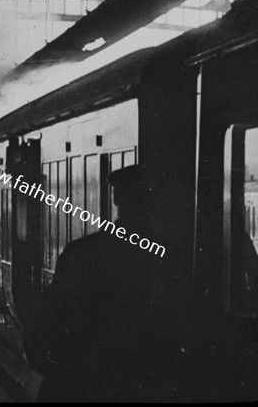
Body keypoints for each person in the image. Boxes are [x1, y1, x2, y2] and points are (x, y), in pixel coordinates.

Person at [25, 165, 198, 402]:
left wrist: (57, 371)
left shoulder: (82, 253)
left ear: (116, 199)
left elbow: (47, 319)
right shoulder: (174, 259)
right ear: (155, 201)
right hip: (147, 384)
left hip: (82, 383)